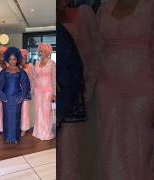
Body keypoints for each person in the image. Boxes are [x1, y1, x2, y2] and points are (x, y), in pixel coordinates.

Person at [85, 0, 154, 179]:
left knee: (138, 148)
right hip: (107, 89)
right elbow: (97, 53)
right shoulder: (105, 7)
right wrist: (87, 95)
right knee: (108, 146)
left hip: (142, 90)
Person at [57, 23, 86, 180]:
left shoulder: (62, 34)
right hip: (66, 105)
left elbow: (71, 76)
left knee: (67, 161)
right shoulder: (62, 32)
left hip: (67, 107)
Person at [0, 47, 31, 143]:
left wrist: (22, 95)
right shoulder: (4, 71)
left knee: (16, 117)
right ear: (7, 60)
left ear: (17, 59)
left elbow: (26, 84)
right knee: (7, 117)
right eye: (10, 59)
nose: (12, 61)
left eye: (14, 59)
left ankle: (15, 137)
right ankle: (8, 137)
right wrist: (1, 95)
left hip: (17, 98)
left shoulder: (21, 71)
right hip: (7, 98)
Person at [32, 43, 56, 141]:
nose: (40, 53)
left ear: (48, 52)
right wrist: (31, 89)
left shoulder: (52, 63)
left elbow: (54, 78)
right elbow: (34, 78)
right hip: (37, 90)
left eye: (42, 51)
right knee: (38, 110)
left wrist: (55, 93)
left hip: (48, 90)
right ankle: (38, 132)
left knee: (46, 111)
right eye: (40, 51)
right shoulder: (36, 63)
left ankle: (46, 132)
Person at [20, 49, 34, 136]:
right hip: (16, 91)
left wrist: (30, 90)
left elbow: (33, 79)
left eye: (25, 58)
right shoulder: (15, 67)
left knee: (24, 110)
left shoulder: (30, 66)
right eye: (21, 58)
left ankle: (24, 128)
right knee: (17, 110)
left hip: (25, 90)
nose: (23, 59)